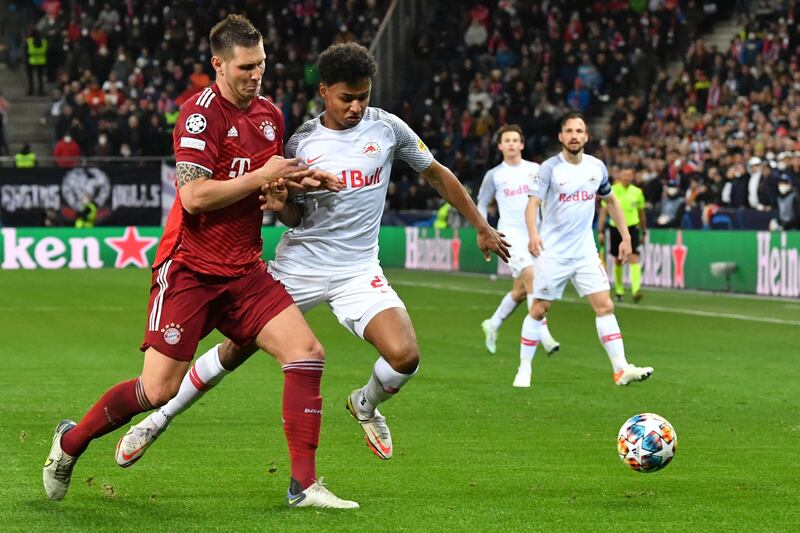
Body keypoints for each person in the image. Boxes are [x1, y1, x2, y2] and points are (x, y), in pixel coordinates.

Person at [114, 41, 509, 468]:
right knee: (234, 349)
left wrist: (481, 227)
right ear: (324, 91)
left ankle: (364, 404)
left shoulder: (388, 129)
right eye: (346, 98)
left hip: (358, 270)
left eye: (363, 96)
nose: (356, 107)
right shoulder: (301, 140)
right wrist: (283, 200)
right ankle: (159, 418)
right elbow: (292, 216)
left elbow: (437, 174)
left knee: (405, 355)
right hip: (299, 265)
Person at [43, 15, 358, 509]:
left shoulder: (270, 116)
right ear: (219, 63)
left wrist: (298, 183)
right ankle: (70, 443)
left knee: (307, 355)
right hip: (189, 269)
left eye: (262, 65)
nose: (257, 74)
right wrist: (261, 178)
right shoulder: (199, 116)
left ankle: (303, 486)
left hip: (245, 271)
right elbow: (194, 196)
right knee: (157, 390)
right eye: (246, 66)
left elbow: (264, 183)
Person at [517, 111, 653, 388]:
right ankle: (524, 368)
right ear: (561, 137)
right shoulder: (549, 169)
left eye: (579, 131)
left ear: (586, 136)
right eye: (569, 131)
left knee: (605, 305)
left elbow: (611, 201)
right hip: (552, 252)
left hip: (585, 253)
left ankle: (620, 369)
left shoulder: (596, 167)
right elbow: (532, 204)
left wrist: (626, 236)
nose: (574, 136)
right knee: (540, 309)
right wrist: (533, 234)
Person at [477, 124, 560, 358]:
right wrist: (484, 229)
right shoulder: (494, 175)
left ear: (522, 145)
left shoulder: (537, 169)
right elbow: (482, 203)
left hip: (536, 235)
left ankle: (492, 324)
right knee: (534, 278)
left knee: (521, 291)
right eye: (507, 140)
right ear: (500, 146)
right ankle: (544, 335)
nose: (512, 143)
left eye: (516, 140)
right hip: (509, 237)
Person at [597, 165, 647, 303]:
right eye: (624, 174)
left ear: (632, 176)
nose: (626, 177)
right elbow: (604, 211)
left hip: (632, 227)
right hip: (615, 227)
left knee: (634, 257)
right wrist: (600, 230)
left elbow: (641, 213)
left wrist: (644, 230)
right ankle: (619, 289)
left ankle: (636, 289)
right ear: (620, 175)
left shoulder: (637, 192)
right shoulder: (612, 190)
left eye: (629, 174)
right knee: (618, 259)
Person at [26, 30, 47, 96]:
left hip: (31, 61)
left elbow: (26, 52)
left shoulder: (29, 41)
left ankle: (30, 91)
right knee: (40, 77)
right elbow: (46, 51)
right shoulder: (44, 42)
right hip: (41, 61)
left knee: (30, 77)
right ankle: (41, 91)